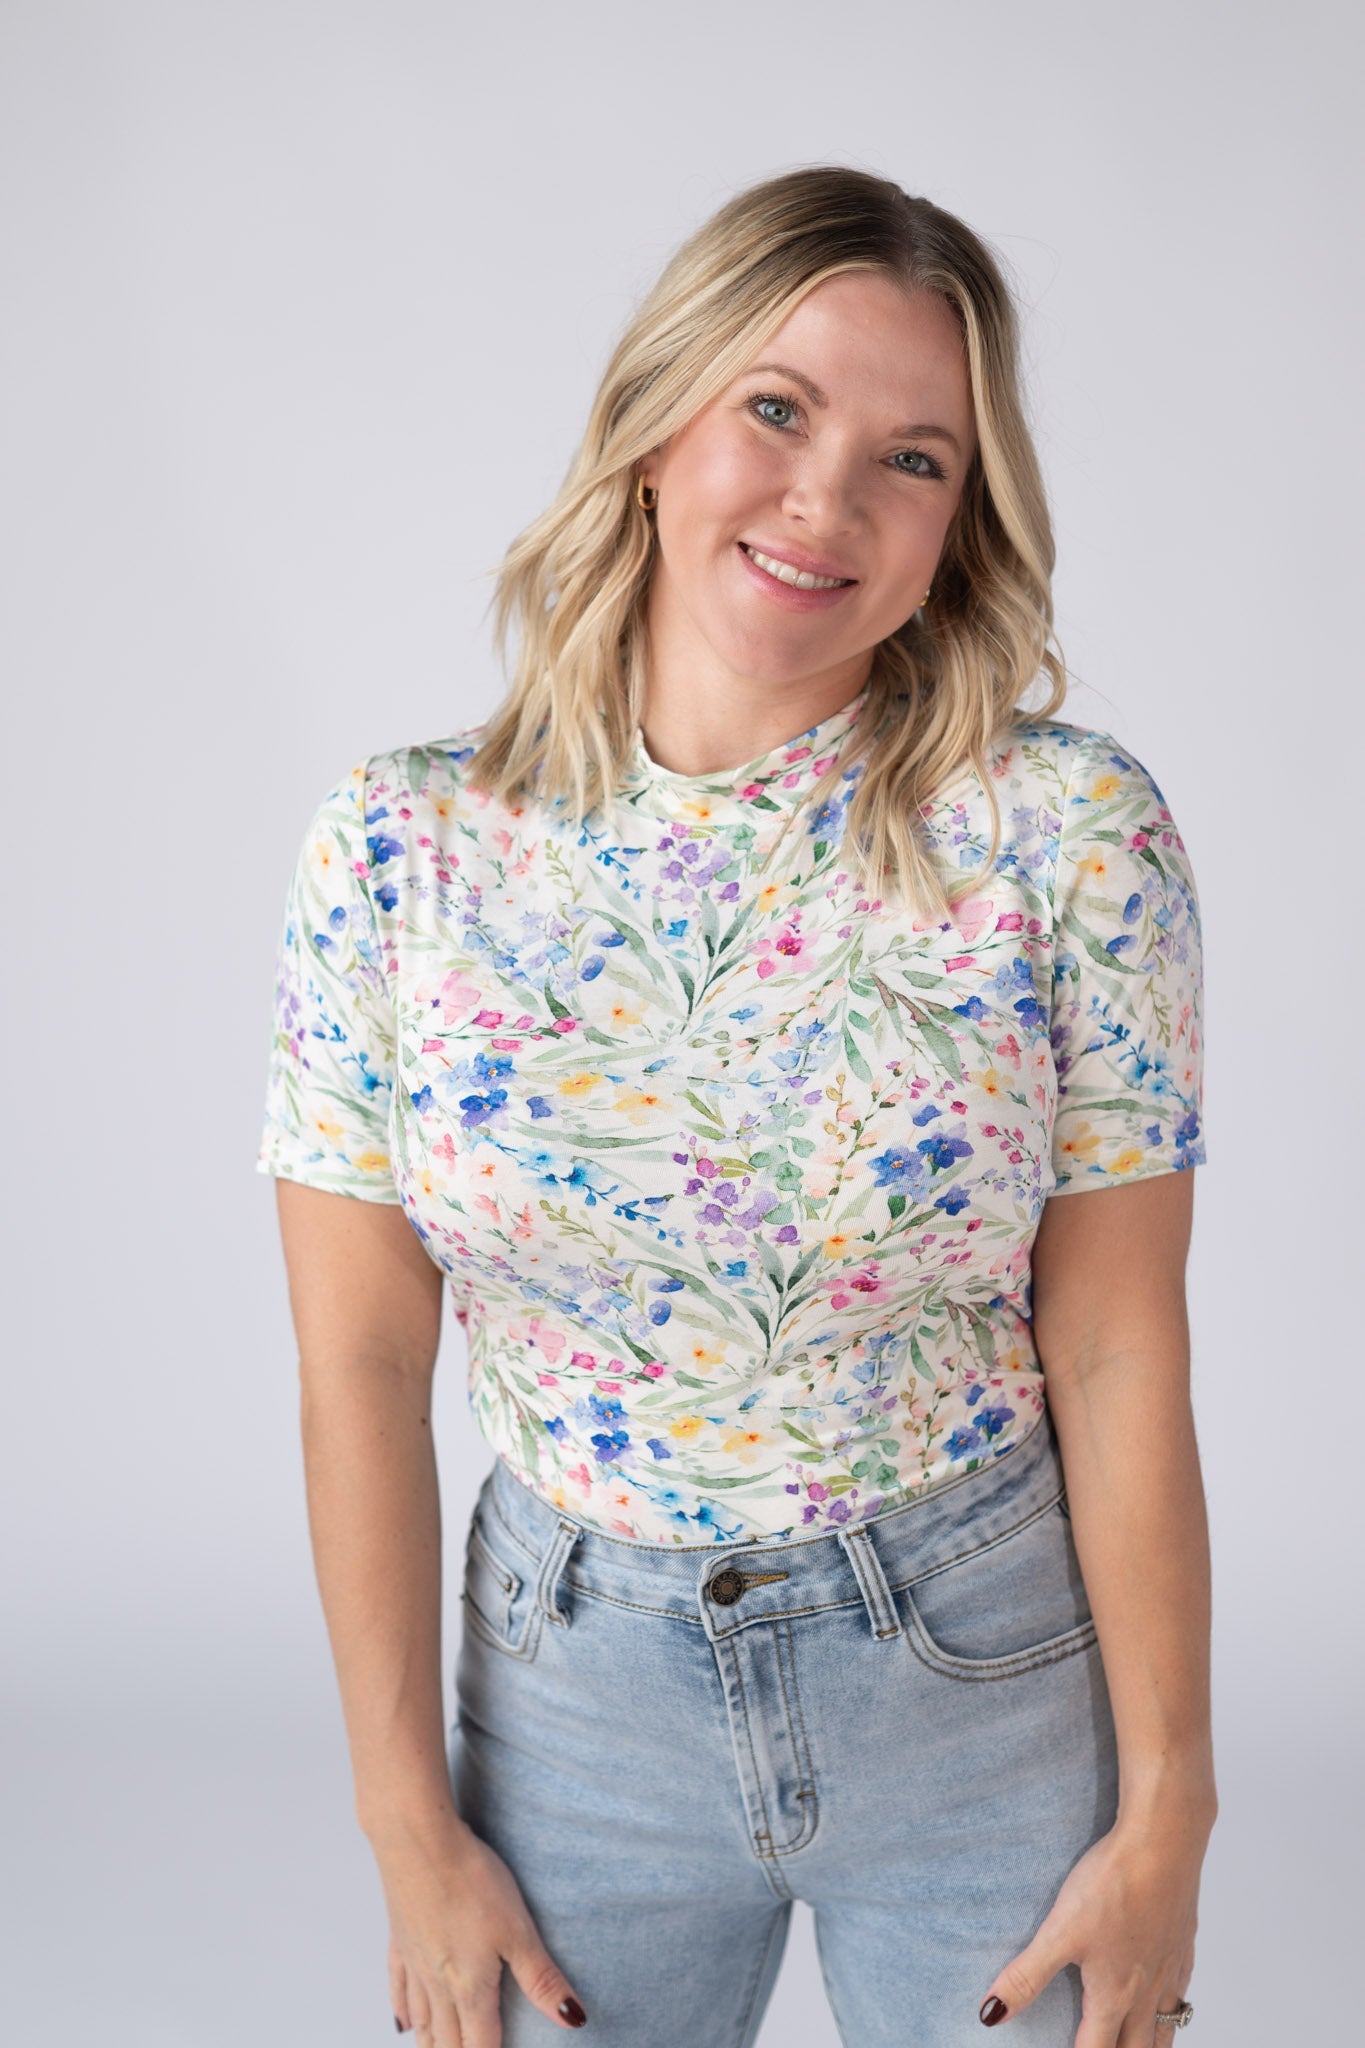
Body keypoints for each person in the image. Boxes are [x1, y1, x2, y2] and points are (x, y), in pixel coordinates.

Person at [256, 165, 1215, 2048]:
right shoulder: (399, 846)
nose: (823, 501)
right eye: (775, 409)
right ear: (651, 429)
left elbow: (1113, 1346)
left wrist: (1172, 1799)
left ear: (963, 519)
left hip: (976, 1669)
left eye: (912, 458)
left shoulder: (1068, 838)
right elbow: (360, 1366)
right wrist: (404, 1826)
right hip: (568, 1700)